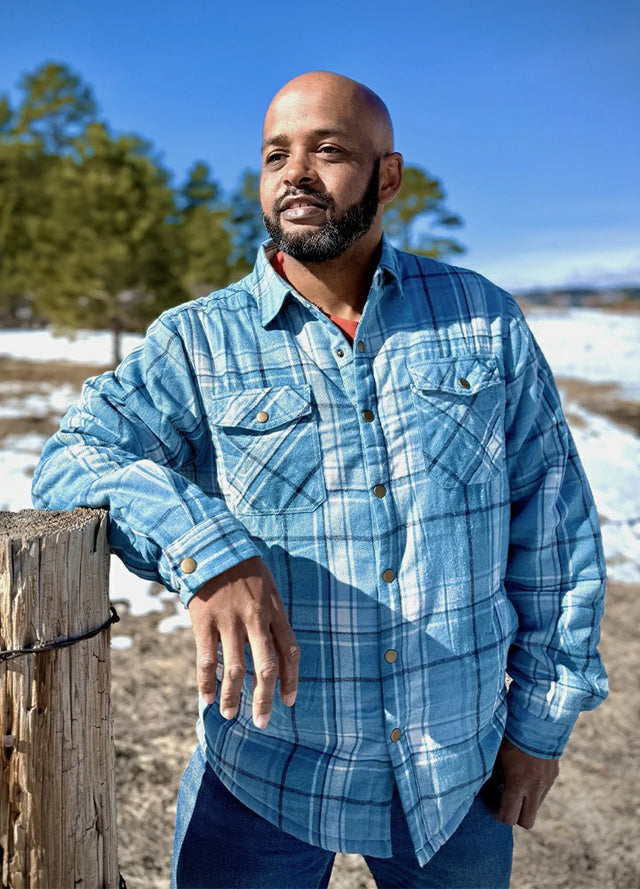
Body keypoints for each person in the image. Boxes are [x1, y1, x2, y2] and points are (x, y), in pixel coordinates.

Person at [32, 71, 608, 889]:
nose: (295, 172)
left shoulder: (481, 319)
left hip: (456, 777)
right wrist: (210, 552)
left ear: (390, 176)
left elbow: (553, 525)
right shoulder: (199, 341)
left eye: (328, 150)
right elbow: (73, 457)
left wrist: (540, 728)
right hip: (264, 777)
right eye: (276, 155)